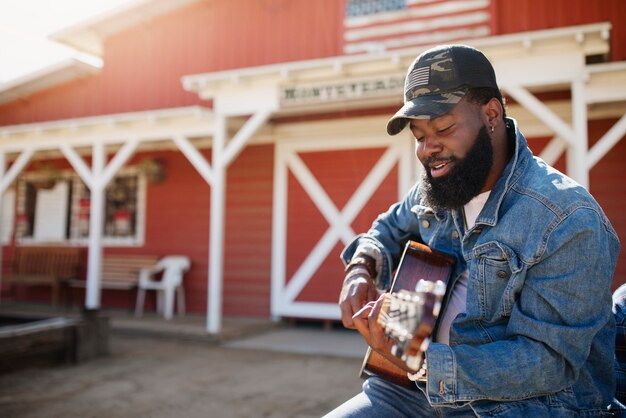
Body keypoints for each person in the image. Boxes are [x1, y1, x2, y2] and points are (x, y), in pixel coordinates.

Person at [326, 44, 621, 417]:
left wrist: (424, 362)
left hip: (513, 407)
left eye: (444, 128)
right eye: (418, 136)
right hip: (408, 389)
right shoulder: (439, 189)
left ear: (491, 114)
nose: (426, 149)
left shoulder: (567, 218)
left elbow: (550, 362)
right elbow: (385, 228)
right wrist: (360, 268)